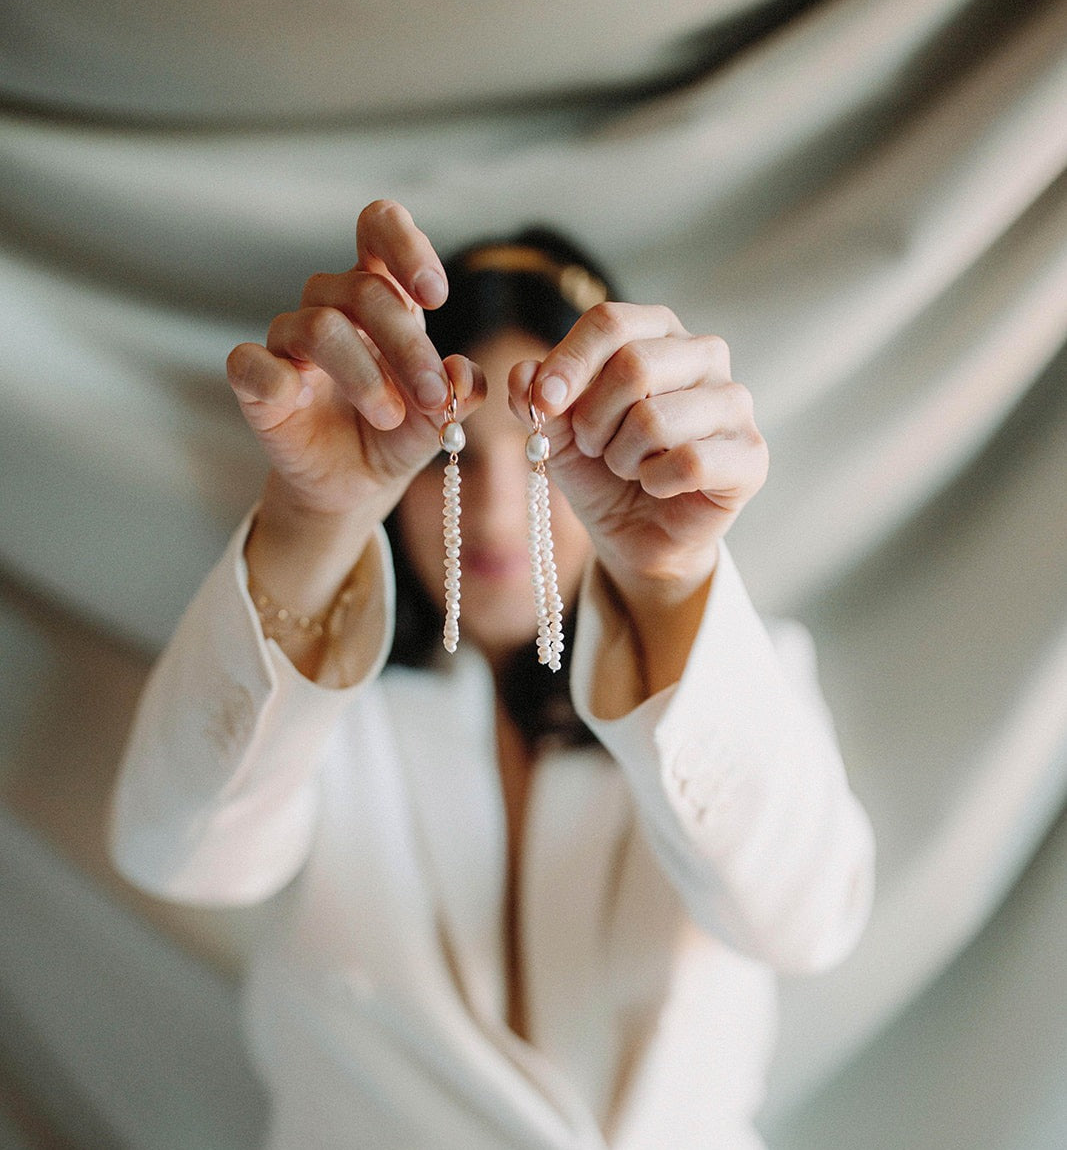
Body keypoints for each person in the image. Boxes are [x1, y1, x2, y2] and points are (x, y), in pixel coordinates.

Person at [110, 199, 875, 1149]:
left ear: (624, 446)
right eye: (454, 457)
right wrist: (310, 522)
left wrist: (670, 583)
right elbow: (173, 850)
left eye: (547, 454)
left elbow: (805, 919)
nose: (500, 508)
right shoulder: (323, 710)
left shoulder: (733, 679)